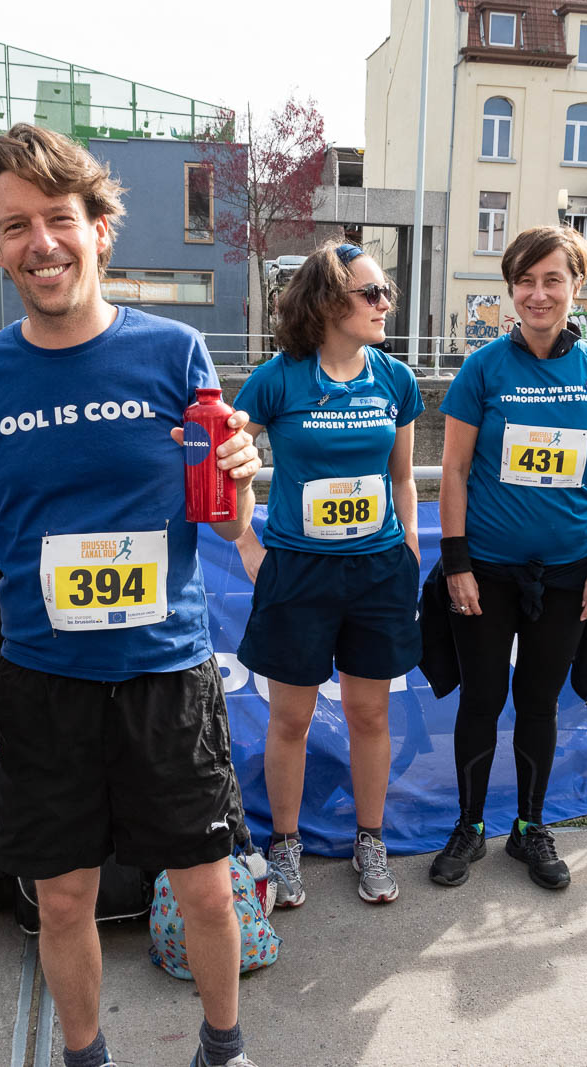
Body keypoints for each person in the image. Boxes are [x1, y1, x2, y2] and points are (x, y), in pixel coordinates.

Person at [0, 124, 262, 1067]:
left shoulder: (174, 349)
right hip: (43, 679)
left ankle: (223, 1047)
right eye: (15, 226)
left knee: (206, 889)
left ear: (101, 228)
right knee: (62, 897)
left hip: (168, 673)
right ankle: (86, 1057)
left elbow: (226, 513)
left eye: (60, 218)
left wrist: (243, 476)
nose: (42, 242)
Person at [427, 225, 587, 891]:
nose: (538, 293)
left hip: (570, 573)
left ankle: (529, 827)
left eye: (552, 279)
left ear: (578, 286)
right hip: (485, 572)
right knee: (481, 698)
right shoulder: (483, 368)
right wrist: (455, 562)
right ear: (511, 290)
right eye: (525, 281)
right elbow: (453, 471)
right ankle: (469, 826)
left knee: (539, 701)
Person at [231, 240, 424, 907]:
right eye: (372, 294)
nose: (384, 305)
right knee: (291, 718)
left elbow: (402, 476)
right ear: (329, 300)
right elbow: (224, 461)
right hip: (298, 573)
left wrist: (409, 548)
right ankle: (284, 845)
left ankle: (369, 840)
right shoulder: (278, 379)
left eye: (386, 294)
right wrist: (246, 545)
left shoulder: (395, 380)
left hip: (376, 572)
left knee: (371, 713)